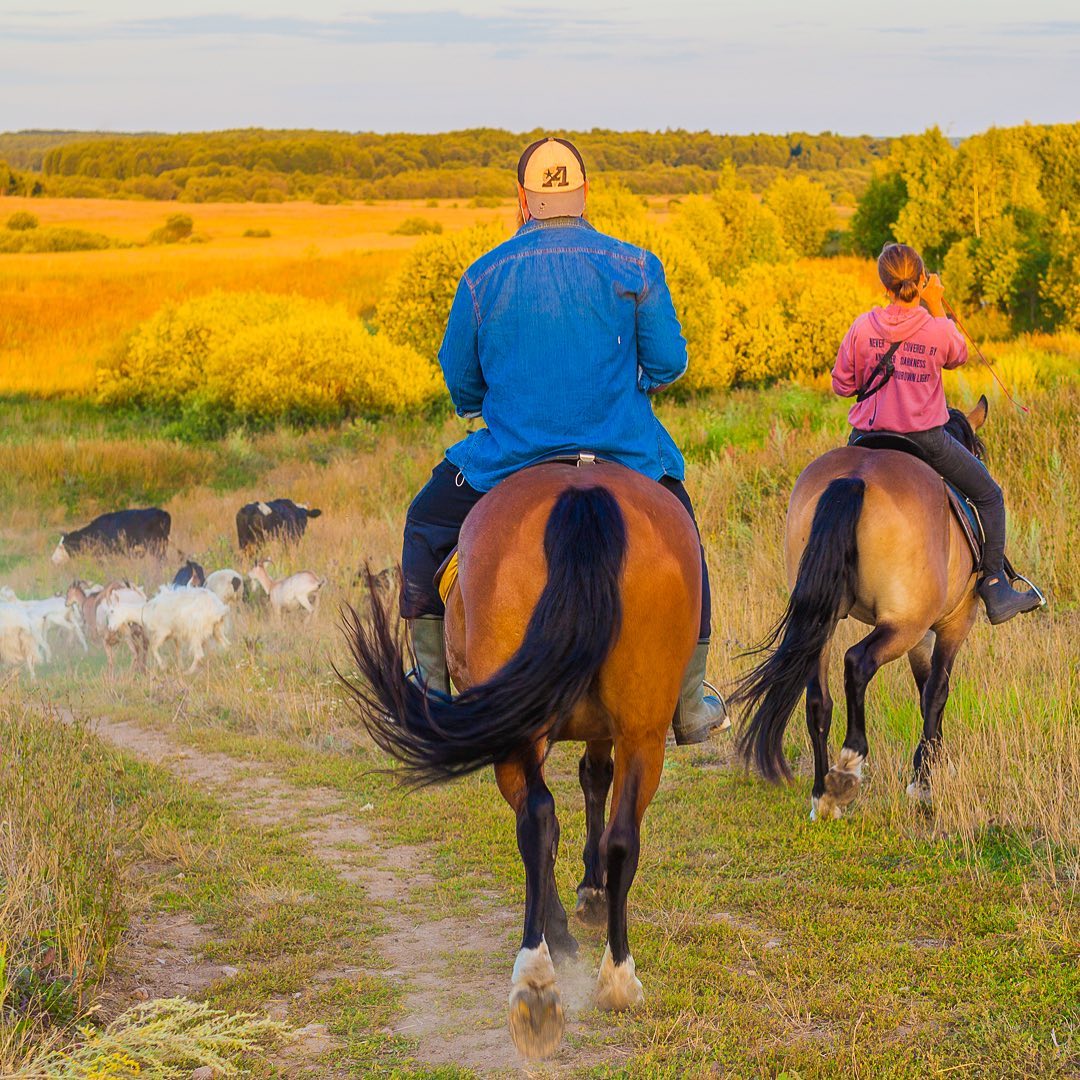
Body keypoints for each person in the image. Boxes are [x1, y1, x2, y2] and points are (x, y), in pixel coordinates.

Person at [400, 136, 725, 744]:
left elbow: (463, 385)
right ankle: (689, 701)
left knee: (425, 525)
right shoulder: (636, 266)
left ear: (522, 199)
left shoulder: (481, 276)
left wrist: (493, 398)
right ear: (583, 195)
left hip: (510, 461)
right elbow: (671, 361)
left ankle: (431, 685)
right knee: (684, 537)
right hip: (627, 454)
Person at [832, 242, 1041, 625]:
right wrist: (937, 302)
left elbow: (842, 385)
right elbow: (959, 354)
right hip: (924, 440)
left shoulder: (862, 326)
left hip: (864, 438)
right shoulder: (934, 327)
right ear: (922, 279)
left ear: (884, 284)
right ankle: (995, 585)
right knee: (990, 496)